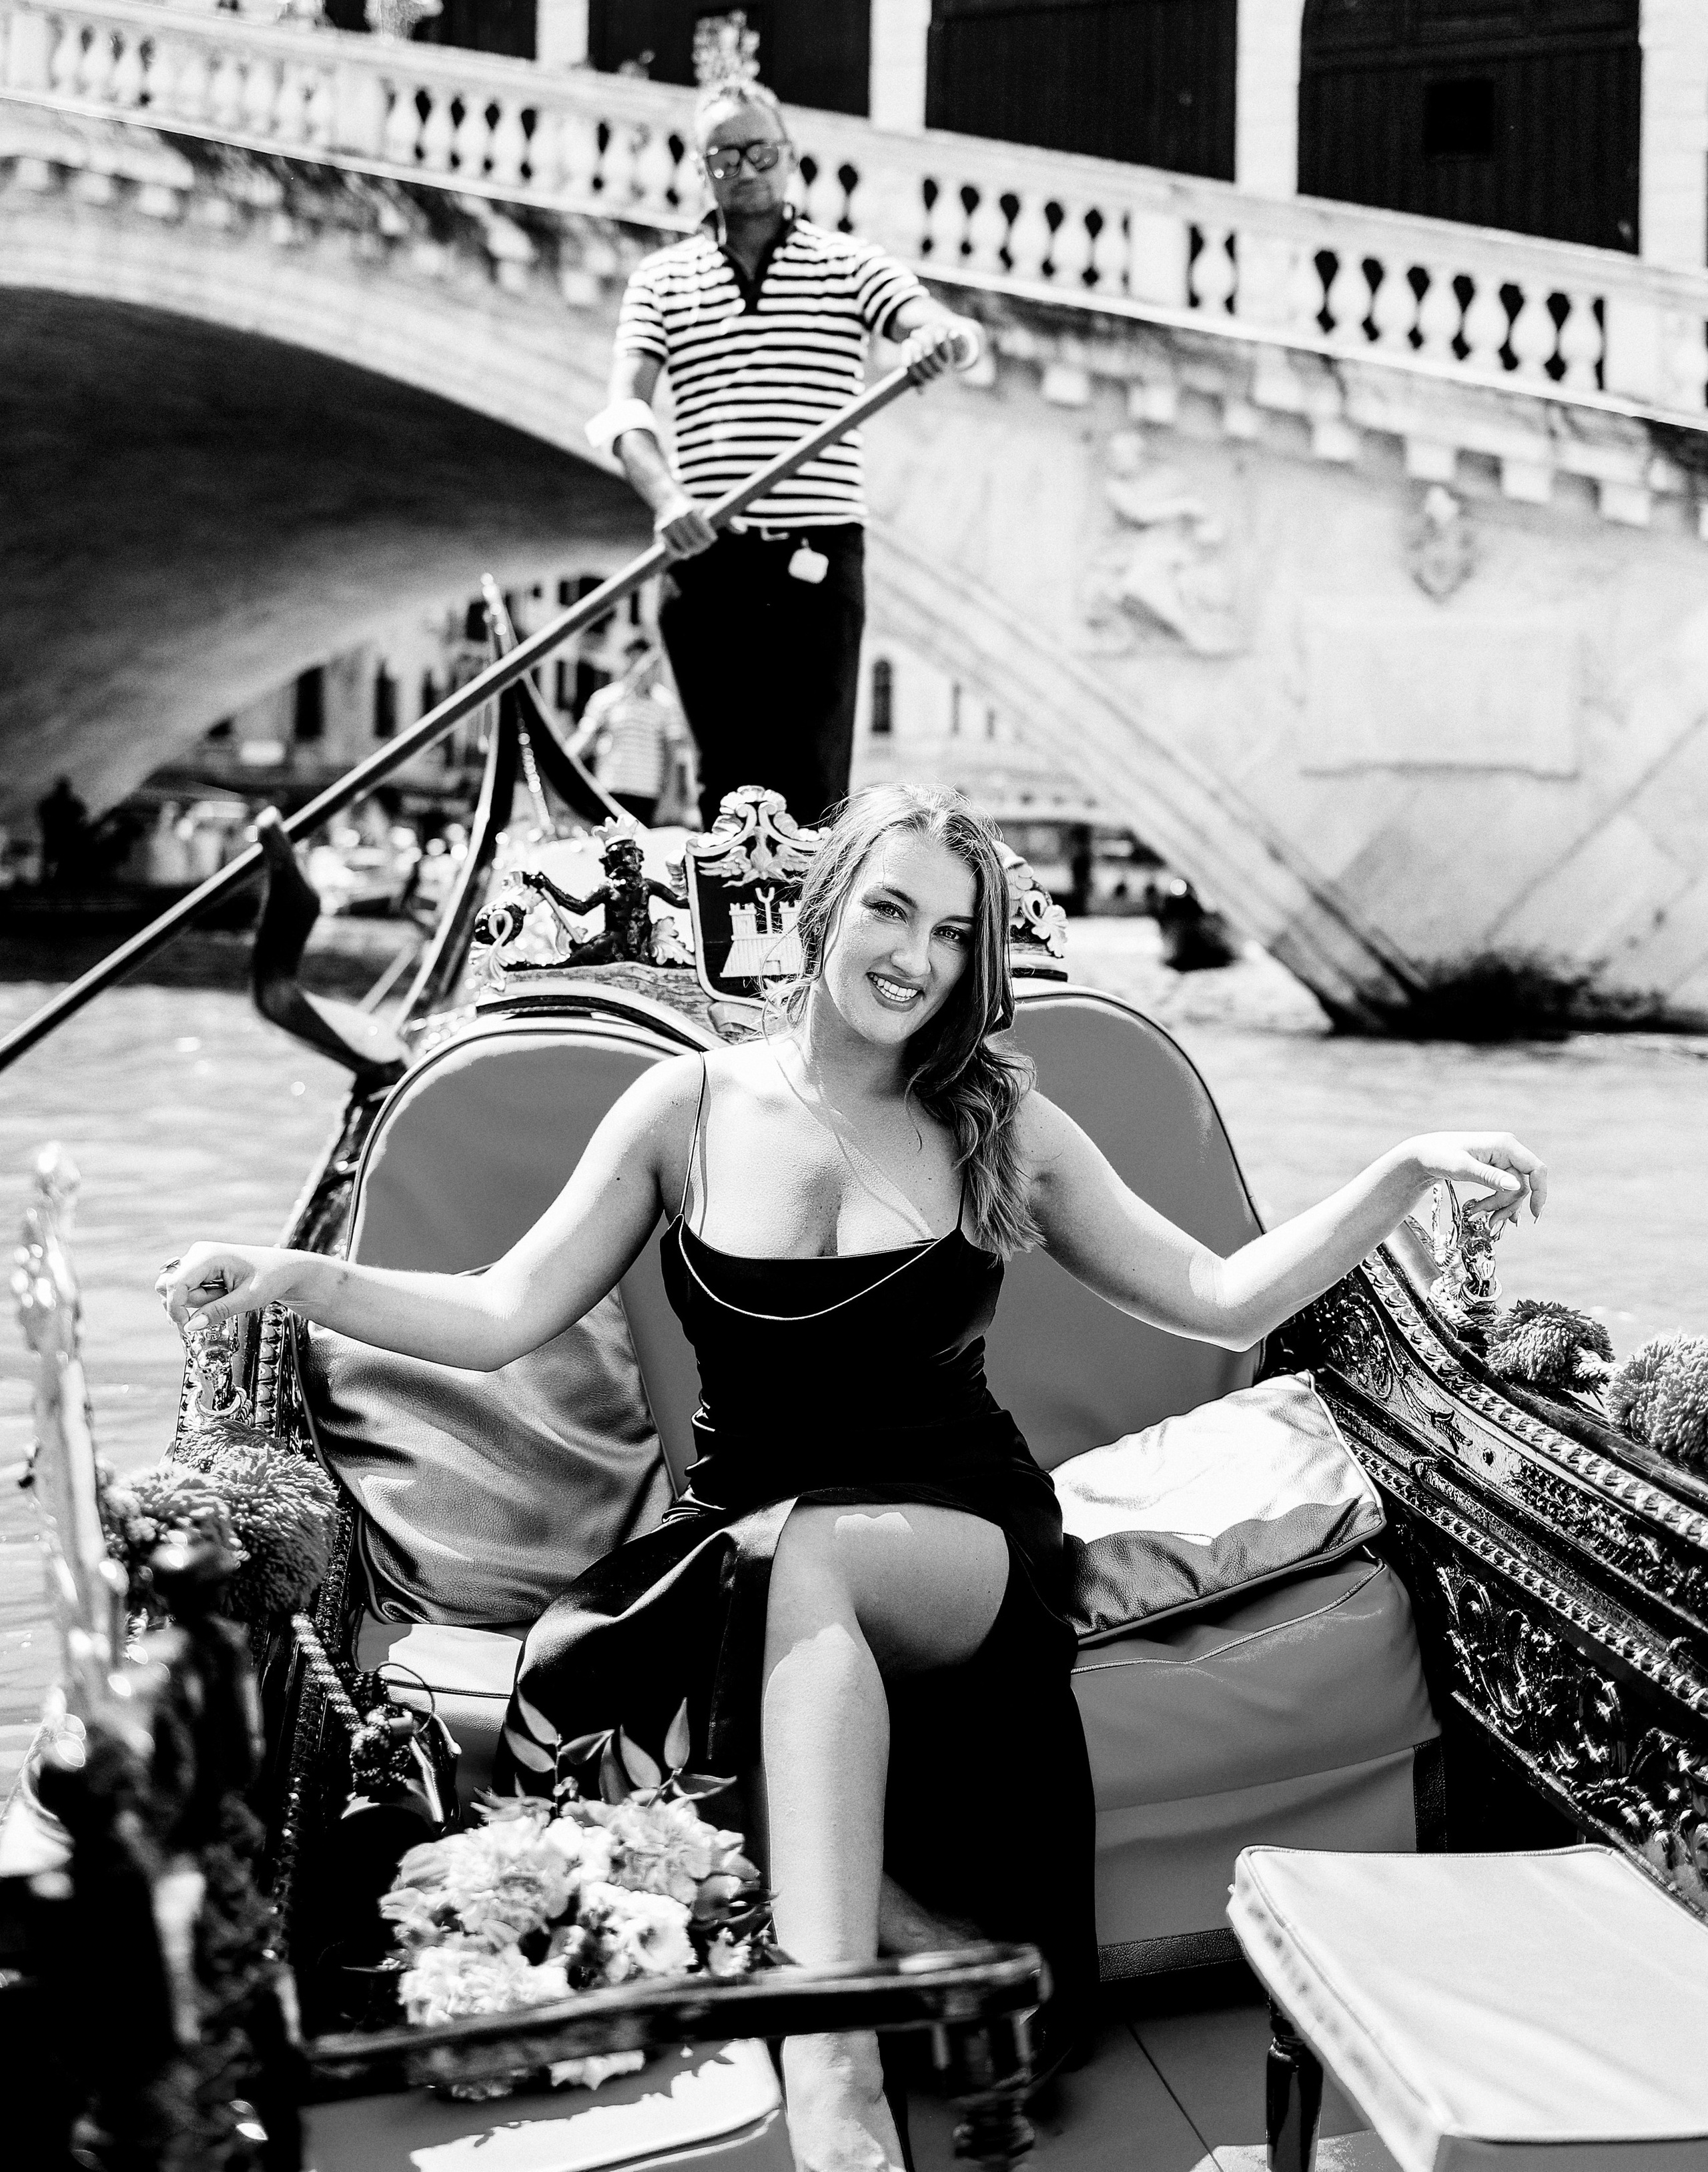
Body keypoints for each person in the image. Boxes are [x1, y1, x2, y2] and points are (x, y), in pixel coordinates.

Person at [160, 784, 1546, 2172]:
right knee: (702, 1601)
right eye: (890, 909)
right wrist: (295, 1280)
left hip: (959, 1531)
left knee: (805, 1558)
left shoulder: (999, 1118)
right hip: (739, 1529)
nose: (918, 955)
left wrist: (1400, 1170)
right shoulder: (680, 1110)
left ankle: (831, 2081)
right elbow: (499, 1309)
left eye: (954, 930)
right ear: (822, 912)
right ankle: (923, 1948)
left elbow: (1218, 1296)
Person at [588, 78, 985, 829]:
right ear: (703, 168)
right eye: (725, 154)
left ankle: (811, 942)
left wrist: (939, 338)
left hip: (818, 561)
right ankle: (738, 946)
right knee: (726, 793)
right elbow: (622, 413)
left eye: (759, 149)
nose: (745, 166)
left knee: (813, 789)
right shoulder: (660, 280)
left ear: (789, 158)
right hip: (708, 559)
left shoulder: (848, 264)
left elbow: (931, 321)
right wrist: (667, 499)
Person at [568, 631, 680, 829]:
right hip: (611, 789)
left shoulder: (665, 704)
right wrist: (560, 760)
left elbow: (671, 755)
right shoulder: (605, 699)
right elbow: (586, 739)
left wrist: (668, 800)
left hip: (647, 794)